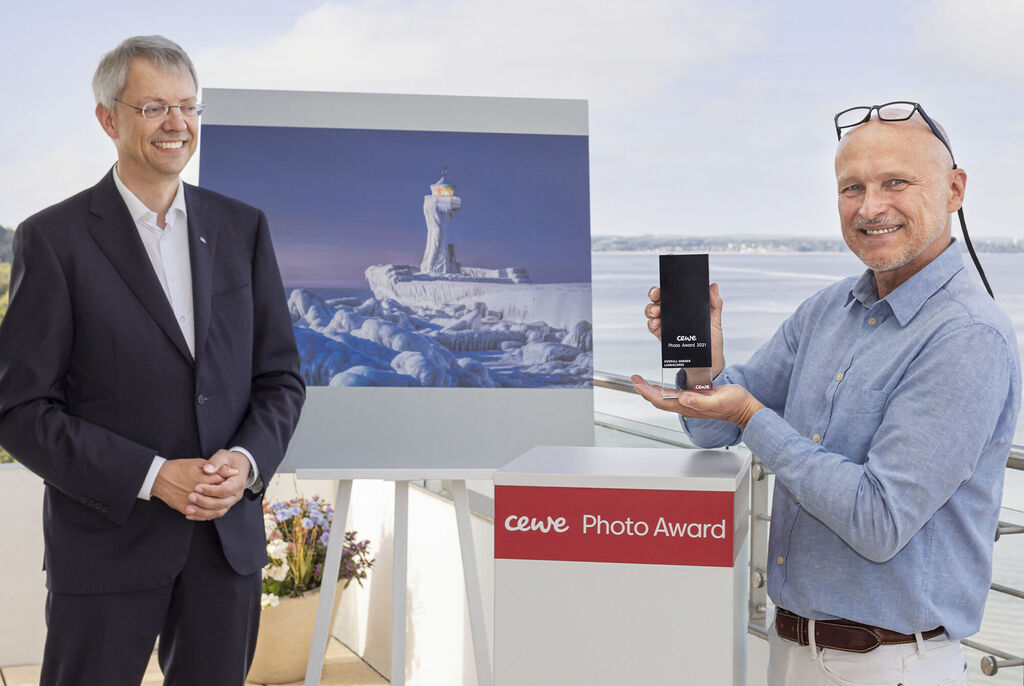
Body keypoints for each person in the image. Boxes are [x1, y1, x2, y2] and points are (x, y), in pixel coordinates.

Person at [634, 104, 1020, 685]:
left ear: (954, 190)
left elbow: (880, 520)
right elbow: (714, 428)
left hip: (890, 665)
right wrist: (702, 366)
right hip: (790, 649)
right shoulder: (828, 310)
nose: (871, 207)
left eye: (896, 182)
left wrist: (750, 414)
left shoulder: (966, 336)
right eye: (852, 188)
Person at [0, 36, 305, 685]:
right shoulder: (53, 239)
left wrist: (247, 462)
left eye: (188, 106)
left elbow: (279, 379)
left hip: (225, 550)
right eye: (154, 108)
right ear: (109, 119)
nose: (177, 124)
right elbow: (21, 410)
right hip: (107, 546)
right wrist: (152, 474)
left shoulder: (243, 228)